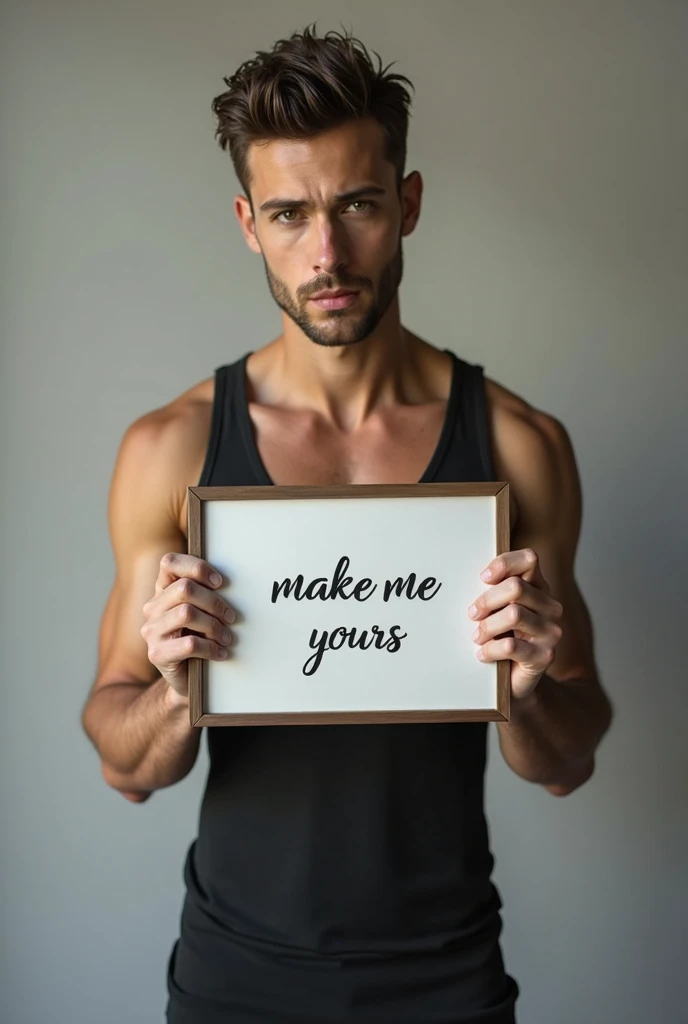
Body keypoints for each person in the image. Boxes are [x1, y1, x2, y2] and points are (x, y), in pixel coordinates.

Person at [81, 25, 613, 1024]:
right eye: (289, 214)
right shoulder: (172, 447)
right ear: (248, 222)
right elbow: (124, 766)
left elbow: (568, 758)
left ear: (406, 203)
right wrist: (168, 688)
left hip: (447, 977)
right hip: (234, 980)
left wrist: (529, 690)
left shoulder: (519, 444)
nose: (325, 253)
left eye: (357, 205)